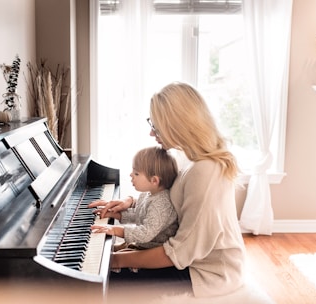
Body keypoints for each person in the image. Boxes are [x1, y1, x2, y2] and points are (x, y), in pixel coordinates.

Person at [89, 82, 246, 298]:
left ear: (178, 124)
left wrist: (113, 259)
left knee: (103, 284)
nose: (152, 133)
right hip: (185, 258)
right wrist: (129, 203)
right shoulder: (185, 156)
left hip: (205, 272)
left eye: (156, 125)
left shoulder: (205, 171)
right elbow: (166, 201)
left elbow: (178, 253)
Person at [91, 146, 178, 255]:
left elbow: (145, 234)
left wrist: (115, 230)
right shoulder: (148, 194)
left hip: (151, 250)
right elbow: (139, 215)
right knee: (104, 251)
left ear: (154, 180)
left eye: (136, 173)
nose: (131, 175)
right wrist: (115, 214)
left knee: (107, 257)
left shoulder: (162, 204)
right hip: (143, 245)